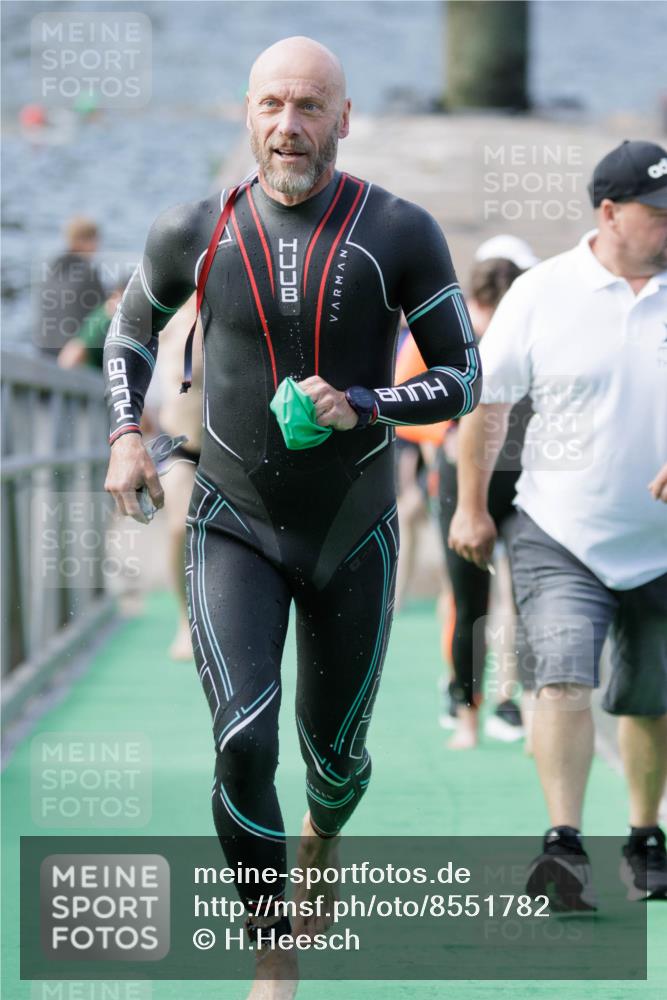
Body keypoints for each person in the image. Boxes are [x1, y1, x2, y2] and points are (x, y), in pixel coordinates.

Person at [102, 36, 481, 996]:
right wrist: (124, 435)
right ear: (247, 114)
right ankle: (274, 951)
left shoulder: (398, 232)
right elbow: (130, 332)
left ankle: (322, 835)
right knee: (242, 740)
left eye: (310, 106)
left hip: (352, 528)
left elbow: (462, 377)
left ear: (343, 119)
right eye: (272, 104)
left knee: (336, 761)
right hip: (234, 522)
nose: (289, 125)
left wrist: (367, 404)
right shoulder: (196, 230)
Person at [449, 140, 667, 909]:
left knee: (649, 698)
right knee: (564, 678)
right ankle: (564, 844)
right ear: (607, 213)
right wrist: (470, 506)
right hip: (559, 531)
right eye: (656, 213)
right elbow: (488, 404)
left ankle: (644, 837)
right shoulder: (542, 292)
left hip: (659, 544)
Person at [438, 245, 536, 750]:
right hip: (464, 481)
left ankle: (509, 699)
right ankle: (466, 708)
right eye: (483, 304)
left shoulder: (535, 335)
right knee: (468, 598)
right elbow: (429, 401)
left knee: (524, 597)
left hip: (521, 481)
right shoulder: (457, 337)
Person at [36, 216, 105, 358]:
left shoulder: (51, 269)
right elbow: (104, 311)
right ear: (81, 241)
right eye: (94, 240)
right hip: (70, 356)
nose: (97, 246)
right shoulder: (87, 273)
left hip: (44, 352)